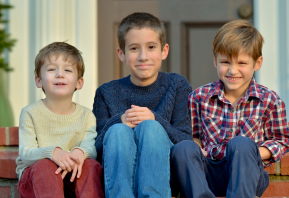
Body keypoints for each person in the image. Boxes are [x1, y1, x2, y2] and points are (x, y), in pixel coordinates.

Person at [170, 20, 289, 198]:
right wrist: (198, 148)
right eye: (225, 62)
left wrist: (252, 153)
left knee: (240, 144)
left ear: (257, 63)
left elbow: (282, 140)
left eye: (242, 63)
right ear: (215, 61)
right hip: (208, 173)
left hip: (247, 174)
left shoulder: (269, 100)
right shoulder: (198, 97)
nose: (232, 70)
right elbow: (193, 135)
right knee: (182, 148)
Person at [92, 12, 192, 198]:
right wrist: (119, 120)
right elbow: (96, 150)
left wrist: (156, 120)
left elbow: (185, 143)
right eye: (134, 49)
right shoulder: (106, 93)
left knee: (151, 128)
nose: (143, 56)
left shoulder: (177, 85)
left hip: (164, 178)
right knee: (117, 131)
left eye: (151, 47)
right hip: (119, 180)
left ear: (164, 50)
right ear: (121, 54)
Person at [16, 42, 104, 198]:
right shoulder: (30, 113)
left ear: (79, 82)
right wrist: (53, 153)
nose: (59, 74)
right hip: (37, 183)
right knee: (44, 166)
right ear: (38, 81)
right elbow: (26, 154)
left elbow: (91, 148)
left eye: (68, 70)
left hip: (71, 179)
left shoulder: (87, 115)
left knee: (90, 165)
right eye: (51, 69)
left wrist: (80, 152)